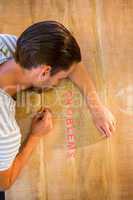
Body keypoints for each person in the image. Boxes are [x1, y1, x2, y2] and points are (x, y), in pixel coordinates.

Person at [0, 21, 116, 190]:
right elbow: (4, 183)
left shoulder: (8, 45)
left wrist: (96, 106)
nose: (58, 82)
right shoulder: (6, 131)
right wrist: (35, 136)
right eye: (60, 78)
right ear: (45, 72)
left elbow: (72, 65)